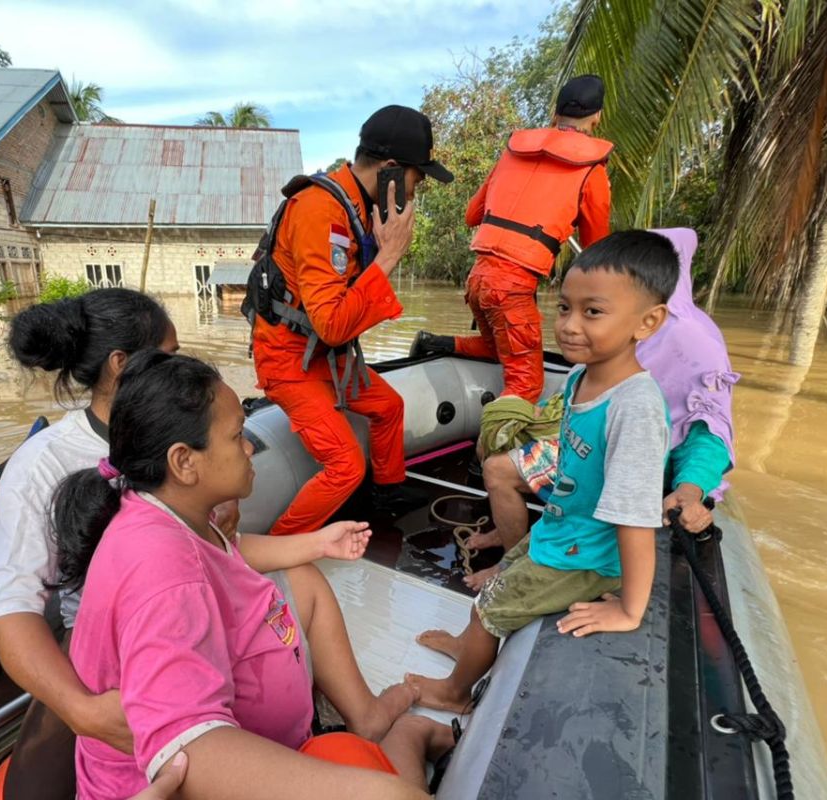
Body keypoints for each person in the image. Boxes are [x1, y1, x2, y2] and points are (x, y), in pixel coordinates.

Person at [55, 351, 452, 799]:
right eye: (237, 436)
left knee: (301, 576)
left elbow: (231, 551)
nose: (249, 448)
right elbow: (185, 748)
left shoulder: (170, 513)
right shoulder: (162, 572)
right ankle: (411, 735)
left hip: (277, 728)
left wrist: (320, 542)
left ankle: (383, 722)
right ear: (184, 462)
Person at [406, 230, 678, 712]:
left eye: (592, 311)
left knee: (492, 606)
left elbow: (636, 517)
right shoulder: (580, 377)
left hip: (584, 557)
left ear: (647, 321)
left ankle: (455, 693)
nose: (571, 325)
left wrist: (630, 608)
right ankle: (467, 645)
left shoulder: (634, 407)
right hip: (558, 528)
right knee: (494, 585)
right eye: (564, 308)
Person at [0, 288, 180, 799]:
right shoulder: (43, 464)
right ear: (120, 364)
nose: (180, 371)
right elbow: (12, 612)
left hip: (188, 620)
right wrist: (81, 710)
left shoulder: (185, 434)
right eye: (169, 356)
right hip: (100, 650)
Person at [464, 228, 738, 590]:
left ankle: (511, 570)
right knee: (494, 449)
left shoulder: (695, 344)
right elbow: (576, 399)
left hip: (643, 462)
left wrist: (689, 490)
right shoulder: (605, 318)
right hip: (589, 442)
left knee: (500, 471)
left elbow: (708, 431)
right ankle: (509, 539)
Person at [250, 105, 453, 535]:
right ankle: (279, 546)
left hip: (325, 354)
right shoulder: (320, 211)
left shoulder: (356, 205)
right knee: (344, 464)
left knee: (388, 406)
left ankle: (388, 491)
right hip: (289, 361)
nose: (417, 190)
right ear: (393, 170)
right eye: (418, 178)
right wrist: (391, 254)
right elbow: (333, 324)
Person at [410, 75, 612, 403]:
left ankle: (435, 342)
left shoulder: (513, 153)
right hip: (513, 286)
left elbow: (471, 215)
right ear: (597, 117)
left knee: (495, 349)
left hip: (478, 278)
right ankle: (496, 455)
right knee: (526, 386)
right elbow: (597, 250)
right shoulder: (593, 170)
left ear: (555, 112)